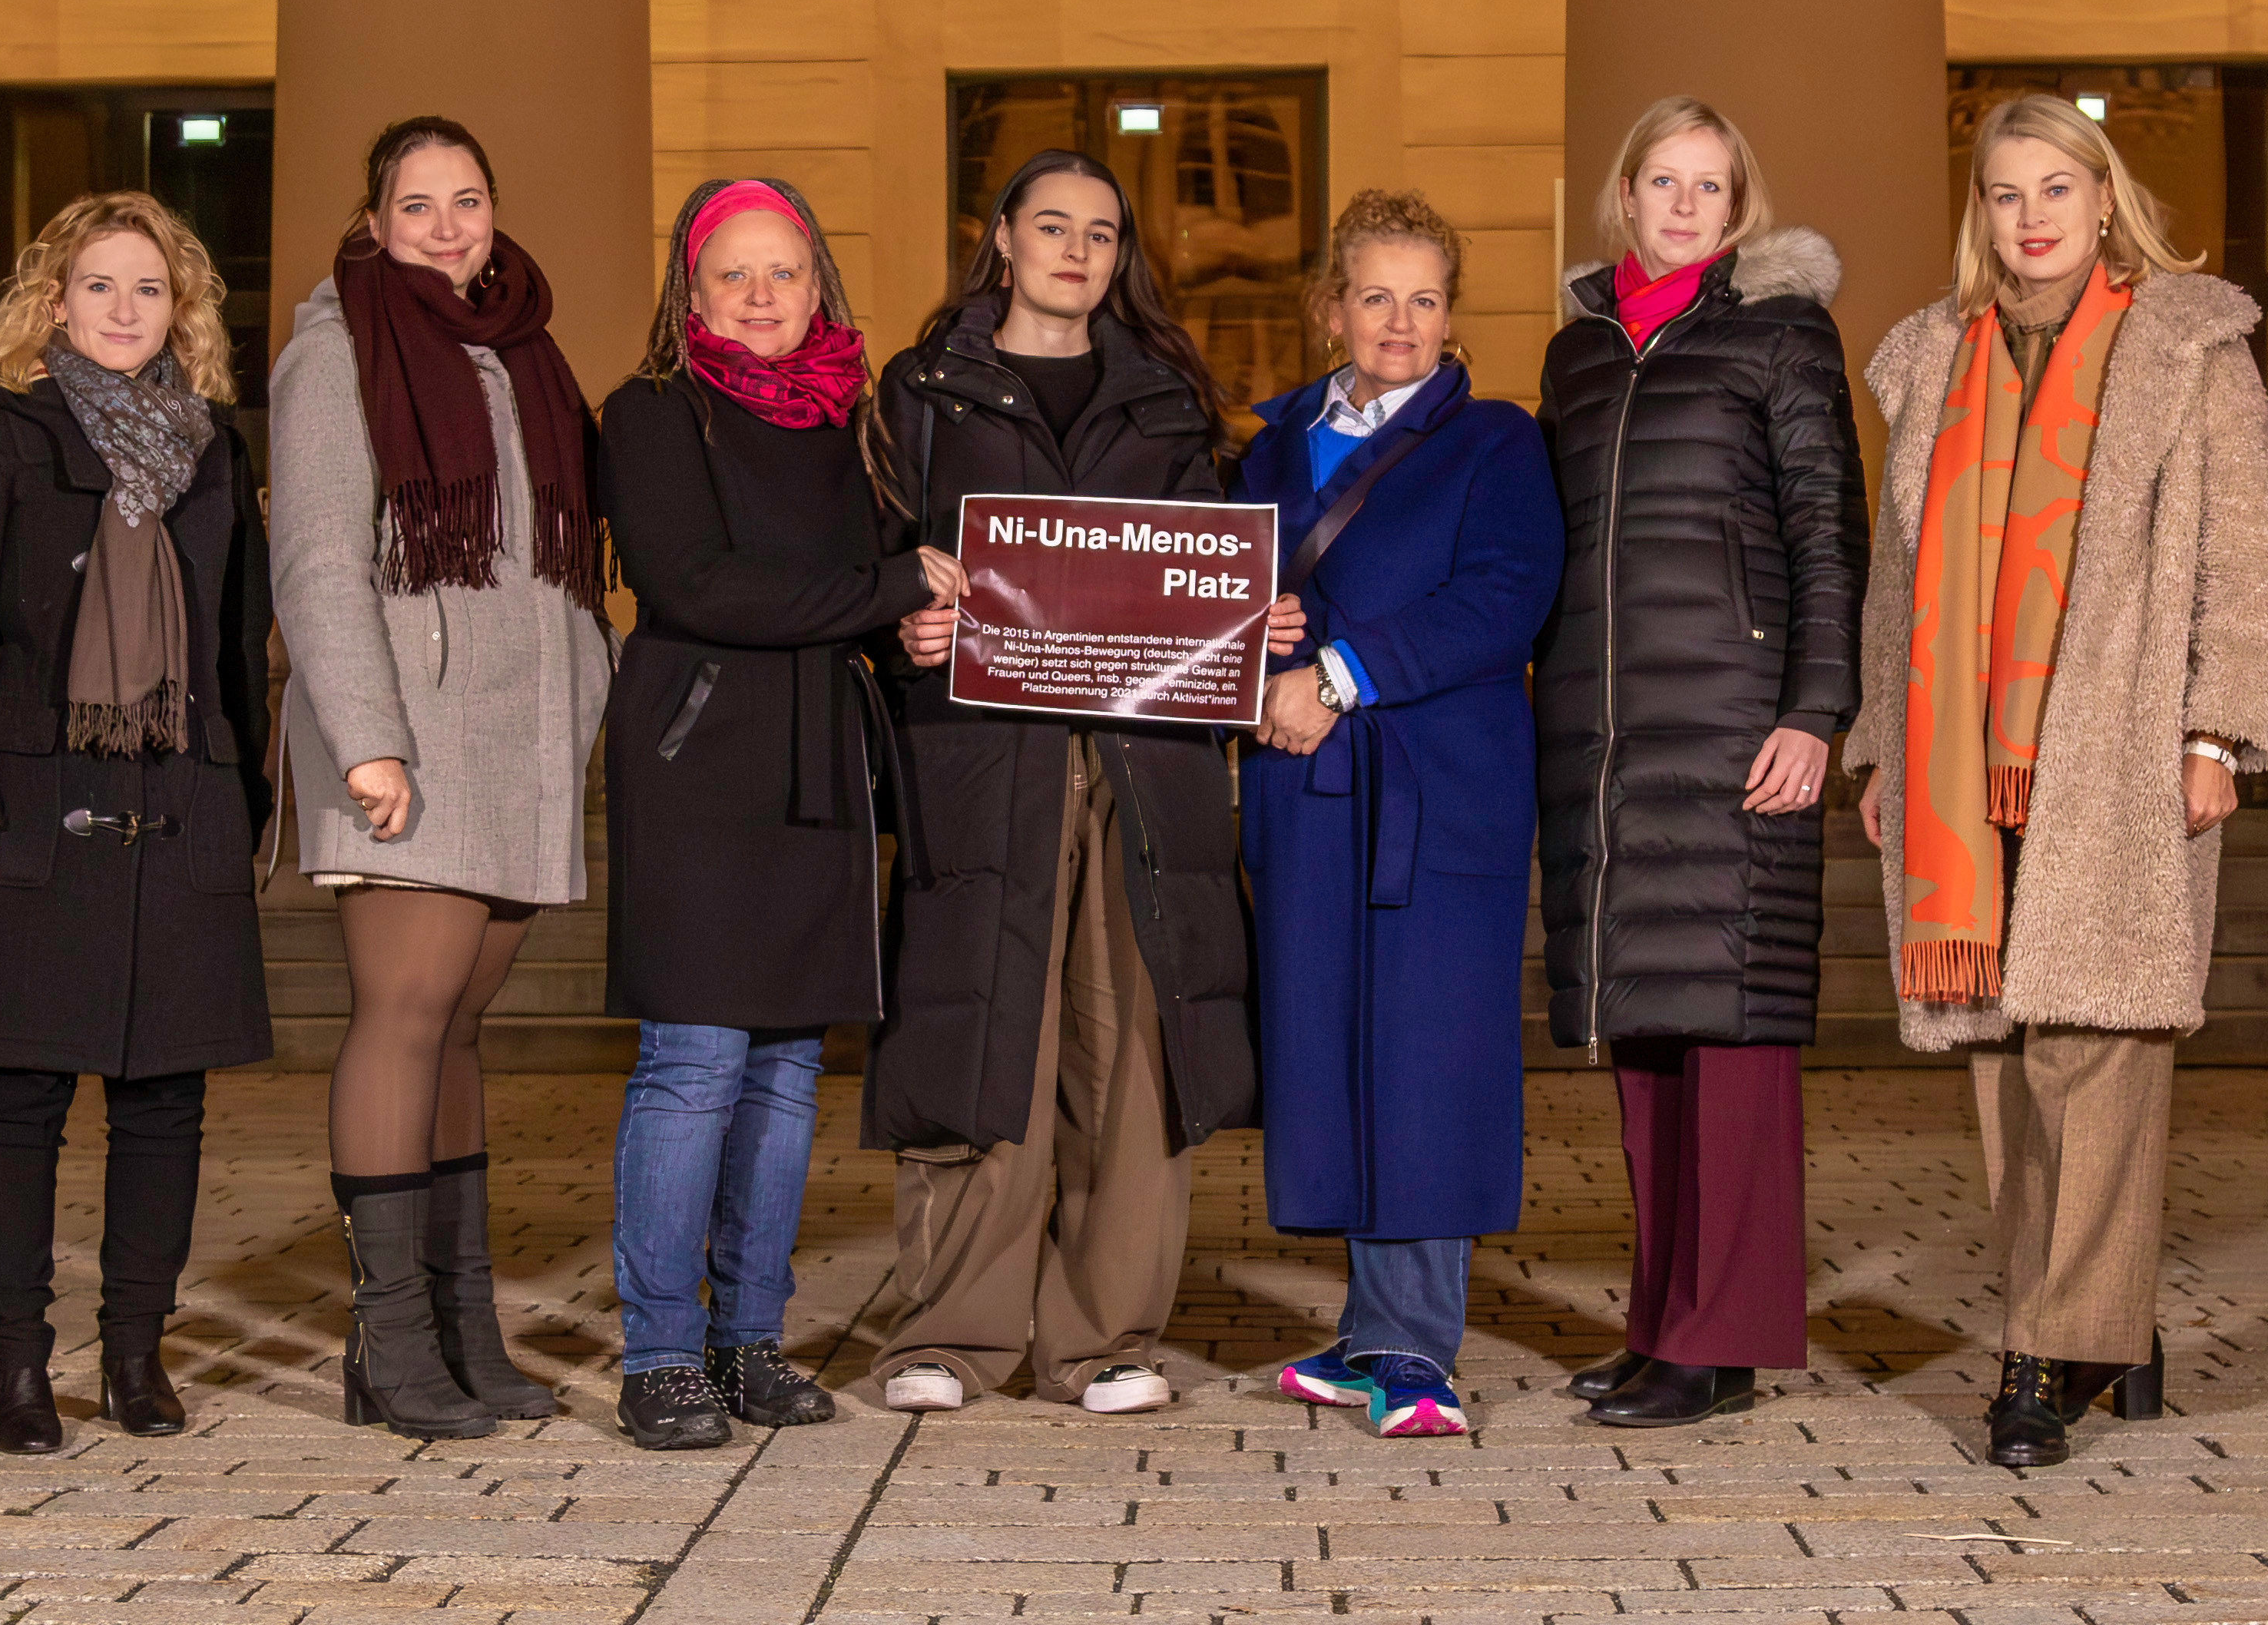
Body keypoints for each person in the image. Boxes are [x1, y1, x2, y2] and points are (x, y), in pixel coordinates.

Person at [1849, 91, 2268, 1470]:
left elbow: (2248, 557)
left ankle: (2046, 1356)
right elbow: (1897, 581)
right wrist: (1883, 744)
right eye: (2006, 193)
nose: (2031, 217)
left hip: (2116, 751)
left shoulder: (2189, 347)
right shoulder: (1935, 357)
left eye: (2057, 189)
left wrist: (2218, 734)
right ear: (1979, 213)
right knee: (2007, 1062)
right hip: (1961, 759)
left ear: (2105, 201)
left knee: (2096, 1047)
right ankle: (2110, 1330)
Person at [866, 149, 1259, 1416]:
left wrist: (1253, 625)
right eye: (1052, 226)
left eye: (1101, 232)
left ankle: (1107, 1339)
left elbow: (1207, 575)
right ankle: (950, 1334)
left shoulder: (1166, 402)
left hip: (1142, 766)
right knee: (985, 1032)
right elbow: (876, 557)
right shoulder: (924, 393)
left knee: (1130, 1042)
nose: (1077, 250)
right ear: (1002, 237)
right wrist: (903, 622)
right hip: (987, 761)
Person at [597, 178, 965, 1450]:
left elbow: (887, 588)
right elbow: (698, 585)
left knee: (787, 1071)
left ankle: (749, 1340)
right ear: (691, 294)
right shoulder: (651, 412)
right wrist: (886, 590)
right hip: (698, 765)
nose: (762, 297)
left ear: (819, 285)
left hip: (818, 759)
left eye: (785, 272)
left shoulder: (854, 423)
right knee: (696, 1061)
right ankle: (660, 1356)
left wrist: (914, 624)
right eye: (734, 275)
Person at [0, 190, 273, 1455]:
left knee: (165, 1096)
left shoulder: (216, 451)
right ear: (53, 304)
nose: (125, 310)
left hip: (182, 798)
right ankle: (16, 1365)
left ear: (184, 310)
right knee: (19, 1096)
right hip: (34, 799)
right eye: (100, 286)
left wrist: (243, 803)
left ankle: (134, 1355)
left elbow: (238, 641)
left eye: (149, 288)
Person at [272, 114, 611, 1439]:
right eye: (417, 205)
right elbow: (316, 558)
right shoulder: (336, 348)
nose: (447, 226)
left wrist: (585, 689)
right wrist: (367, 737)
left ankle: (467, 1334)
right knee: (403, 1015)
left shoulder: (524, 348)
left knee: (459, 1029)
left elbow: (555, 559)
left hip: (516, 742)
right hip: (408, 738)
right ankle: (391, 1344)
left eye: (466, 200)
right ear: (375, 222)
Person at [1533, 94, 1868, 1431]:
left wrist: (1816, 714)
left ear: (1739, 208)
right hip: (1609, 740)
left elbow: (1828, 532)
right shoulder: (1577, 354)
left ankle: (1722, 1338)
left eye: (1709, 187)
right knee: (1650, 1041)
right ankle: (1664, 1323)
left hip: (1738, 731)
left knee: (1734, 1038)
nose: (1683, 206)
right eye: (1662, 182)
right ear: (1624, 196)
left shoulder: (1781, 333)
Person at [1234, 190, 1563, 1439]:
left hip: (1438, 785)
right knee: (1335, 1044)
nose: (1401, 321)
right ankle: (1370, 1328)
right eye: (1376, 296)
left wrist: (1336, 672)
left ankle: (1420, 1353)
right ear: (1331, 308)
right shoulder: (1269, 450)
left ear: (1450, 315)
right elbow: (1217, 591)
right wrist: (1252, 642)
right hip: (1309, 786)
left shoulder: (1495, 442)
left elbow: (1506, 597)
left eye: (1425, 299)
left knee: (1429, 1052)